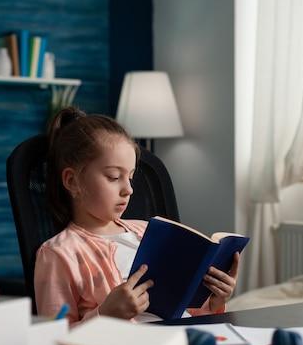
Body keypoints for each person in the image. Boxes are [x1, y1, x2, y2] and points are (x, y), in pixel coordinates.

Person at [34, 107, 240, 326]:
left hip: (184, 335)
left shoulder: (147, 231)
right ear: (72, 181)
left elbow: (183, 310)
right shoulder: (58, 254)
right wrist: (105, 314)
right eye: (114, 177)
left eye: (130, 177)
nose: (129, 189)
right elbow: (53, 342)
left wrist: (213, 302)